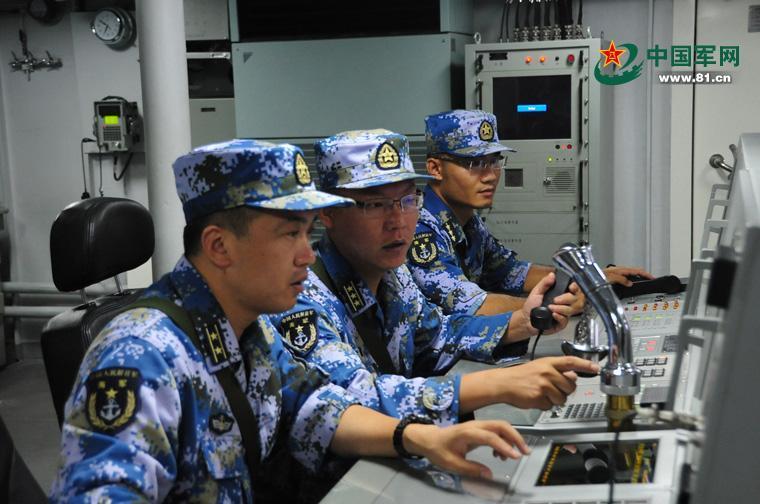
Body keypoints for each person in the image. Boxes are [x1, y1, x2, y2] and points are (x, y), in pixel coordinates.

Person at [50, 140, 532, 502]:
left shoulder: (249, 329)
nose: (307, 255)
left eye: (307, 232)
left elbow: (316, 407)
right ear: (219, 246)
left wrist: (420, 438)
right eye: (288, 235)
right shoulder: (141, 355)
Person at [272, 129, 598, 425]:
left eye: (407, 200)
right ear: (328, 213)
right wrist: (492, 385)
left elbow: (438, 336)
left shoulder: (394, 275)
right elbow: (354, 399)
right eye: (375, 205)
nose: (398, 221)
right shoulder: (302, 298)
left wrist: (522, 323)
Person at [409, 109, 653, 316]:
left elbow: (512, 272)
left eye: (494, 161)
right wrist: (557, 306)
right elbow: (473, 305)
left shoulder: (469, 222)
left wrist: (588, 276)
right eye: (475, 164)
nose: (491, 175)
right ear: (435, 169)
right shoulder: (419, 229)